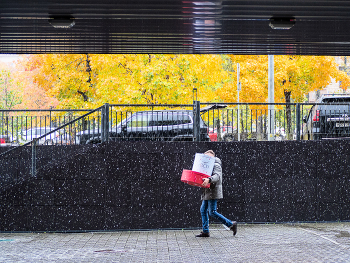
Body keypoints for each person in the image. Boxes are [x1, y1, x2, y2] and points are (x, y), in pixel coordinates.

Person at [196, 150, 237, 237]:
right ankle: (205, 231)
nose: (205, 159)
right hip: (206, 191)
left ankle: (231, 224)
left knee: (212, 212)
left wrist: (209, 179)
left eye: (207, 157)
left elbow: (217, 176)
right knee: (203, 210)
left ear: (212, 157)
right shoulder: (206, 165)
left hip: (212, 191)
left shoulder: (216, 165)